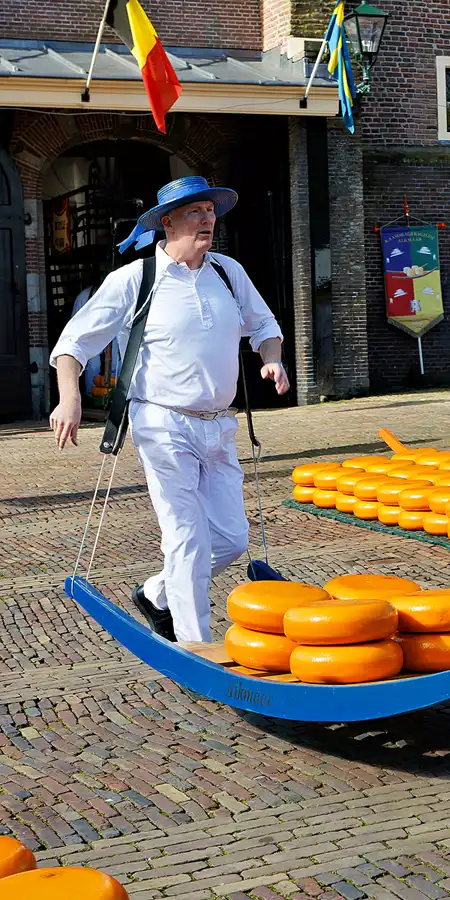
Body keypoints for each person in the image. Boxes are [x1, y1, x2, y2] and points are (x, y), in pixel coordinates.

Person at [49, 176, 289, 643]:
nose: (207, 219)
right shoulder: (134, 279)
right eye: (195, 211)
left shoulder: (227, 272)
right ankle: (194, 642)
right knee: (187, 536)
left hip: (219, 425)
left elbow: (264, 324)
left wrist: (272, 359)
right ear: (166, 222)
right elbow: (72, 344)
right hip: (161, 423)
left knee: (232, 539)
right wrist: (69, 398)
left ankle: (157, 594)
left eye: (210, 211)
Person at [71, 281, 122, 396]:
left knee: (116, 363)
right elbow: (75, 321)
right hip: (92, 335)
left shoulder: (119, 293)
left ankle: (116, 395)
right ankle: (92, 394)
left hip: (113, 334)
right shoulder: (84, 297)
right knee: (93, 365)